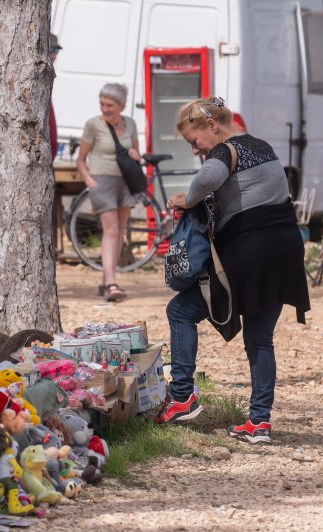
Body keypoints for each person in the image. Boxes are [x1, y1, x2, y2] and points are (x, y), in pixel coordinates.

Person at [156, 97, 310, 444]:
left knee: (180, 310)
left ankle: (182, 398)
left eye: (195, 141)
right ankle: (259, 424)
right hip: (285, 251)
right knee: (259, 339)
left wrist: (188, 199)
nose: (196, 149)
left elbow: (209, 177)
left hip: (250, 252)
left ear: (212, 126)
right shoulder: (262, 145)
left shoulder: (225, 150)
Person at [75, 83, 141, 302]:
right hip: (102, 180)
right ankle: (111, 283)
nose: (104, 109)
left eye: (109, 105)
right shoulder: (93, 125)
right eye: (102, 103)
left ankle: (106, 280)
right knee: (111, 229)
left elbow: (137, 155)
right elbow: (81, 159)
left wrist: (134, 153)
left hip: (125, 180)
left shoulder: (130, 124)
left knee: (119, 230)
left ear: (121, 106)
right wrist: (88, 180)